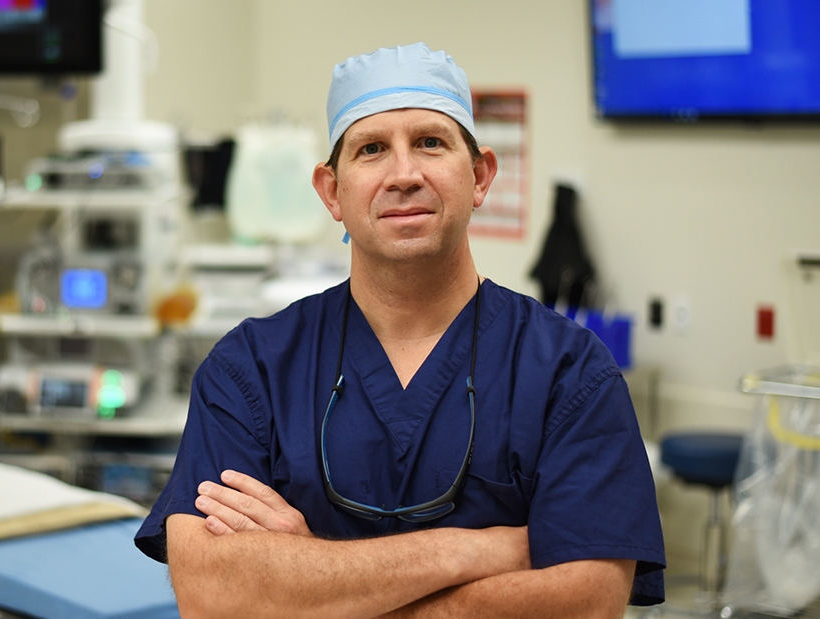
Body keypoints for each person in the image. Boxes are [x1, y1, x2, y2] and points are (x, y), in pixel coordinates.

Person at [134, 44, 665, 618]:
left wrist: (309, 575)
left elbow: (585, 605)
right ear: (332, 192)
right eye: (371, 149)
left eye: (431, 143)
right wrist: (482, 549)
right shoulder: (253, 369)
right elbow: (212, 595)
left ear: (481, 175)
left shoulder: (568, 370)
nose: (404, 174)